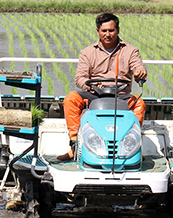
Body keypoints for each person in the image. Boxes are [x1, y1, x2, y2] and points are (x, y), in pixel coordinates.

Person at [58, 13, 147, 160]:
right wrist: (90, 86)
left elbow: (138, 67)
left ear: (118, 30)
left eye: (111, 30)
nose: (108, 34)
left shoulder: (130, 51)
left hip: (121, 95)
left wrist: (139, 73)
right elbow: (80, 78)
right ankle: (75, 145)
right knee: (71, 99)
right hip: (94, 94)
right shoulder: (87, 52)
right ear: (98, 31)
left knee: (139, 103)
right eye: (104, 31)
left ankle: (132, 148)